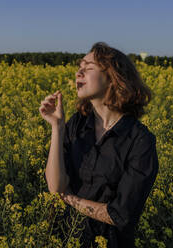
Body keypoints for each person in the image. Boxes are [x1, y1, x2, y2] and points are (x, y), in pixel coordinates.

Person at [39, 42, 159, 248]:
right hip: (63, 238)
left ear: (113, 77)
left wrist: (69, 199)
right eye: (79, 67)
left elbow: (121, 215)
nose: (78, 73)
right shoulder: (77, 124)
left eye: (88, 68)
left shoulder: (140, 141)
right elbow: (55, 186)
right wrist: (57, 127)